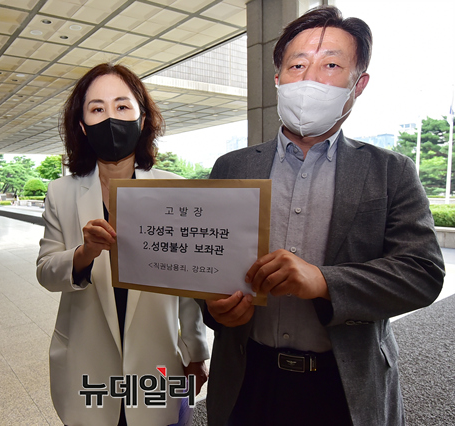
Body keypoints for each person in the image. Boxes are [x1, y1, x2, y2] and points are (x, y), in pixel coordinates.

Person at [201, 6, 445, 426]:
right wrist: (214, 309)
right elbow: (206, 261)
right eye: (297, 65)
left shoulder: (391, 171)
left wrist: (323, 281)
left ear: (358, 83)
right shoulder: (231, 166)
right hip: (248, 377)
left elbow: (421, 273)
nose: (309, 79)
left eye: (331, 65)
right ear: (277, 78)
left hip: (344, 384)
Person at [36, 63, 209, 426]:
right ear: (83, 125)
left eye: (122, 106)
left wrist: (195, 351)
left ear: (142, 119)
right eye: (97, 109)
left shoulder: (174, 190)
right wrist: (84, 254)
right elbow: (46, 272)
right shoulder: (61, 192)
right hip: (86, 365)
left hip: (156, 363)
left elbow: (188, 286)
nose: (110, 118)